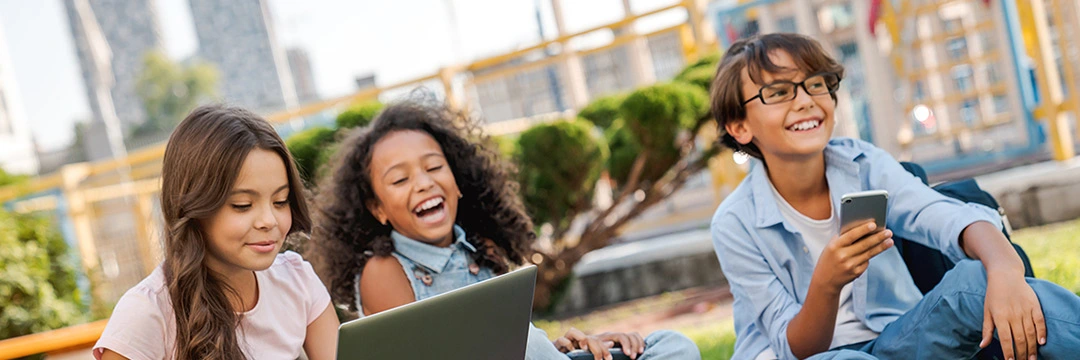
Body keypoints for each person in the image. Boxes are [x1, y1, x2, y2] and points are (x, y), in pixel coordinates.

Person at [708, 32, 1080, 360]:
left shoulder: (863, 163)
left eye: (816, 83)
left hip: (899, 340)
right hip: (817, 356)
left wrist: (1004, 267)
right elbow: (797, 349)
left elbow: (941, 214)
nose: (805, 100)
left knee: (975, 280)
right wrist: (827, 282)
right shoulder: (735, 224)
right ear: (740, 126)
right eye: (778, 92)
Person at [309, 101, 701, 360]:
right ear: (377, 208)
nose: (424, 183)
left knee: (673, 346)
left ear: (457, 181)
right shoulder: (384, 270)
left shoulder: (483, 252)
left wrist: (562, 344)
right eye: (400, 179)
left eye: (433, 167)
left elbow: (519, 341)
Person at [94, 105, 339, 360]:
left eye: (280, 201)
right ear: (194, 207)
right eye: (242, 206)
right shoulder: (147, 313)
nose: (268, 221)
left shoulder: (297, 279)